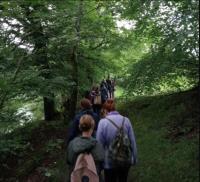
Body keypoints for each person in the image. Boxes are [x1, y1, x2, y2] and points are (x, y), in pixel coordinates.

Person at [96, 99, 137, 182]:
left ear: (105, 109)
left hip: (109, 161)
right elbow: (132, 141)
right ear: (115, 108)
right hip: (125, 159)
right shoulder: (126, 120)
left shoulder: (102, 122)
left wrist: (99, 164)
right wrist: (134, 158)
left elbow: (99, 144)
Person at [67, 114, 104, 181]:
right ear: (92, 126)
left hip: (76, 178)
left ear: (79, 127)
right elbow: (101, 164)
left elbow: (69, 161)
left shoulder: (72, 144)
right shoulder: (98, 145)